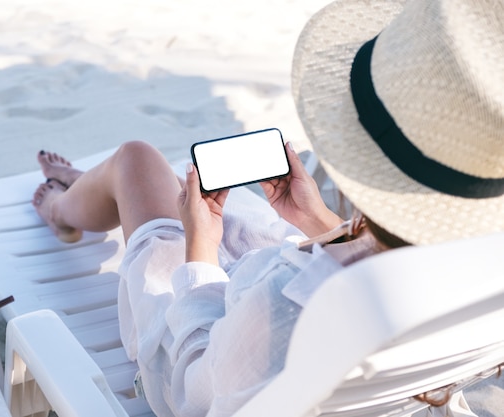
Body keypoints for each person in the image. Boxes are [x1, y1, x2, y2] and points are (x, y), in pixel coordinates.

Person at [32, 0, 504, 416]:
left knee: (137, 160)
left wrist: (201, 252)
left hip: (205, 352)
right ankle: (101, 189)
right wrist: (321, 224)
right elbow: (390, 260)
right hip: (362, 377)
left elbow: (198, 385)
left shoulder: (282, 303)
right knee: (175, 188)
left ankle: (61, 207)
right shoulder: (486, 270)